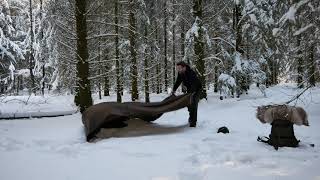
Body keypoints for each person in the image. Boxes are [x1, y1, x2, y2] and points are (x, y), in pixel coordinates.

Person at [172, 61, 202, 127]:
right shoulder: (180, 73)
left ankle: (193, 123)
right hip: (190, 89)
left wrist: (191, 94)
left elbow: (194, 84)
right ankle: (191, 117)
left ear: (184, 67)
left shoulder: (191, 73)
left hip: (197, 89)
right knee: (189, 104)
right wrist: (174, 90)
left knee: (193, 103)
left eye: (179, 68)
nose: (178, 70)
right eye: (177, 68)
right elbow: (178, 81)